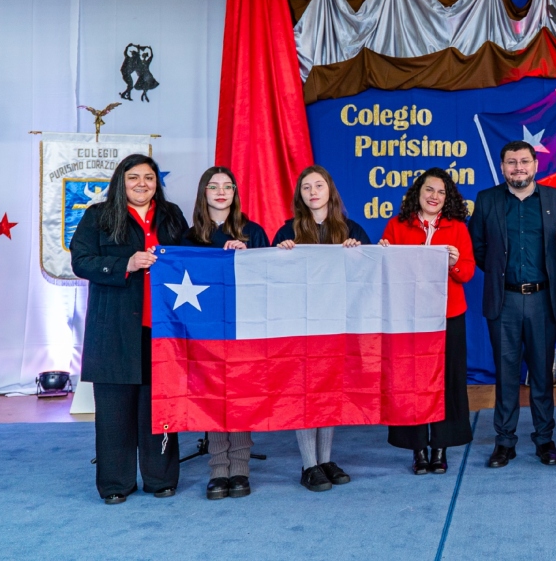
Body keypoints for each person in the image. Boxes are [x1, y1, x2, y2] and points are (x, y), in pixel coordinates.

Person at [70, 154, 188, 504]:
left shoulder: (172, 215)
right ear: (121, 181)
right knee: (114, 412)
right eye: (133, 177)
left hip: (164, 329)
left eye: (149, 178)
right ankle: (115, 484)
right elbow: (81, 261)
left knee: (159, 408)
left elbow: (193, 254)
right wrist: (127, 263)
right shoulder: (99, 216)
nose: (142, 184)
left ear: (156, 183)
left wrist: (227, 250)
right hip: (114, 329)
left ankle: (160, 478)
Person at [469, 140, 556, 468]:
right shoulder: (487, 201)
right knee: (507, 373)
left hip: (544, 299)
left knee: (542, 374)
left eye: (524, 161)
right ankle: (505, 442)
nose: (518, 168)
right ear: (502, 168)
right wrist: (505, 275)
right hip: (505, 300)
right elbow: (479, 249)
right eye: (511, 162)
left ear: (535, 166)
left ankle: (545, 440)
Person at [273, 165, 370, 492]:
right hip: (301, 327)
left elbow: (369, 276)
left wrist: (361, 255)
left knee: (330, 391)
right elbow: (273, 281)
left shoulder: (352, 229)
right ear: (300, 196)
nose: (313, 191)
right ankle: (309, 464)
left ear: (330, 190)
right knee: (305, 392)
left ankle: (325, 459)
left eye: (318, 185)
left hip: (338, 326)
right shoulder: (287, 233)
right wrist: (279, 256)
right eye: (306, 187)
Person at [378, 168, 475, 475]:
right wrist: (384, 255)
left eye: (441, 192)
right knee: (411, 382)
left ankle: (440, 447)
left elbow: (468, 272)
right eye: (429, 190)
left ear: (448, 199)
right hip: (410, 318)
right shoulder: (396, 225)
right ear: (417, 194)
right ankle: (418, 449)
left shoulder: (457, 227)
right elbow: (385, 272)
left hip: (448, 317)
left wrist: (453, 264)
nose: (434, 196)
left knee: (447, 382)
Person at [181, 166, 269, 500]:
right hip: (205, 332)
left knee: (241, 396)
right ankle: (219, 469)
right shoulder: (189, 238)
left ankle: (241, 469)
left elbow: (271, 278)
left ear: (235, 193)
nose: (221, 192)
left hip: (244, 328)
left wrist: (249, 260)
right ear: (203, 192)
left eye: (228, 186)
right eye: (214, 186)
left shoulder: (255, 232)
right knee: (214, 397)